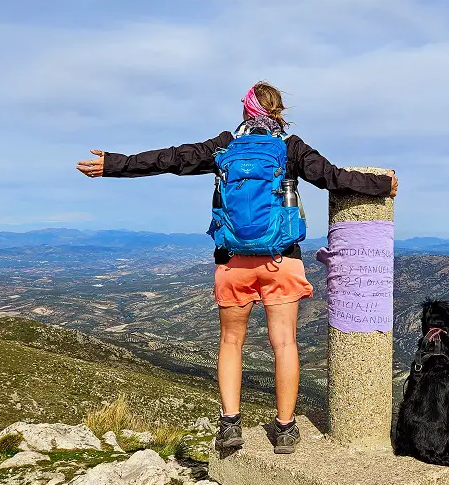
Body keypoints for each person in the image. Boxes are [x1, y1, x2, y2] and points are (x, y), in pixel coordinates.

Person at [76, 82, 398, 454]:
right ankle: (285, 429)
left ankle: (230, 426)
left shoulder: (224, 146)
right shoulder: (291, 148)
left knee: (231, 342)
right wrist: (382, 184)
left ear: (246, 110)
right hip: (281, 261)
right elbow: (336, 178)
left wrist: (115, 165)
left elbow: (171, 158)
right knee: (284, 343)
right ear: (279, 113)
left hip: (232, 264)